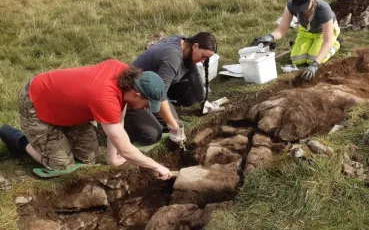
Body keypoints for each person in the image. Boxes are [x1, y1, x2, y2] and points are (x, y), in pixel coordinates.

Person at [0, 59, 173, 180]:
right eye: (146, 103)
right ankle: (18, 139)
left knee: (90, 158)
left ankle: (58, 136)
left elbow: (117, 120)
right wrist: (155, 166)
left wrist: (112, 160)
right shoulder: (105, 97)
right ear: (136, 93)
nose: (146, 108)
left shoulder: (126, 76)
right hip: (36, 101)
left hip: (69, 108)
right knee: (62, 166)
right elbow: (126, 150)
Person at [124, 32, 217, 145]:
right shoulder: (173, 56)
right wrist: (174, 126)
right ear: (195, 46)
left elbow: (193, 72)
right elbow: (160, 95)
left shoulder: (186, 43)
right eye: (203, 56)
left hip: (154, 86)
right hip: (134, 93)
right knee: (153, 134)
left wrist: (202, 100)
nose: (203, 61)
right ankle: (126, 120)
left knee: (190, 97)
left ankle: (152, 114)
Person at [254, 0, 340, 81]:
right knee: (297, 59)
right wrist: (270, 37)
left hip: (324, 32)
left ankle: (336, 44)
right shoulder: (291, 6)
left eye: (303, 6)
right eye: (298, 7)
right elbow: (282, 30)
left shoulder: (323, 9)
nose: (300, 10)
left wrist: (315, 65)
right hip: (306, 29)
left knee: (313, 58)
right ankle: (311, 46)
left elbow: (327, 41)